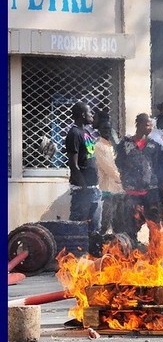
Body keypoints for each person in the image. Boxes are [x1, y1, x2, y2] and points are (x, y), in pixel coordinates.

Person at [115, 113, 163, 246]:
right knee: (130, 226)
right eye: (147, 125)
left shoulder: (154, 146)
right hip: (131, 193)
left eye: (151, 125)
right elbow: (119, 163)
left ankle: (154, 256)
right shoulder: (125, 145)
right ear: (139, 124)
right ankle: (132, 253)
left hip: (150, 192)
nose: (150, 128)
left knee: (154, 226)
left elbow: (159, 167)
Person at [65, 101, 103, 257]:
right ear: (82, 115)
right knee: (78, 226)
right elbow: (73, 165)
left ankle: (93, 258)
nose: (92, 115)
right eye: (90, 113)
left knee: (95, 227)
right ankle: (72, 258)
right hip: (82, 190)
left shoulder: (86, 131)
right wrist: (85, 187)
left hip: (94, 188)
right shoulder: (74, 134)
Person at [92, 110, 125, 236]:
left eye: (109, 129)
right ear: (99, 130)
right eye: (104, 129)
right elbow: (108, 168)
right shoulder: (99, 146)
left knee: (119, 223)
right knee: (105, 224)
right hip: (107, 189)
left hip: (118, 189)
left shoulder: (113, 146)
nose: (107, 131)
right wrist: (122, 179)